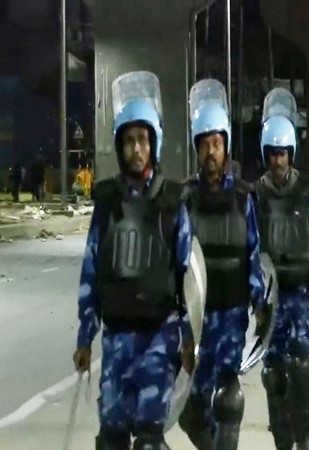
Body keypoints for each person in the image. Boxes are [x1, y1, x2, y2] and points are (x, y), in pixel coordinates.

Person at [72, 71, 195, 450]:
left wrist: (189, 339)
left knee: (148, 439)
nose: (136, 149)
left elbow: (188, 278)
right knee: (111, 438)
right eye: (128, 141)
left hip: (159, 336)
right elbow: (92, 271)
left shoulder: (173, 203)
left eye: (142, 140)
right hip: (117, 339)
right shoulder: (107, 202)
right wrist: (84, 337)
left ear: (153, 143)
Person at [178, 79, 267, 450]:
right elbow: (178, 264)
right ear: (197, 149)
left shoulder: (244, 197)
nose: (211, 152)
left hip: (232, 316)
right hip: (198, 322)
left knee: (228, 398)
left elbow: (253, 253)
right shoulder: (185, 198)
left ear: (225, 146)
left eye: (217, 144)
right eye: (205, 145)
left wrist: (260, 305)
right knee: (190, 412)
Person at [255, 87, 309, 450]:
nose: (278, 161)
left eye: (283, 154)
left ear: (291, 154)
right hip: (271, 300)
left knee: (301, 369)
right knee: (273, 375)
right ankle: (283, 443)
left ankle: (303, 441)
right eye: (272, 154)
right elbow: (252, 251)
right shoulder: (256, 195)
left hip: (301, 295)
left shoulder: (306, 188)